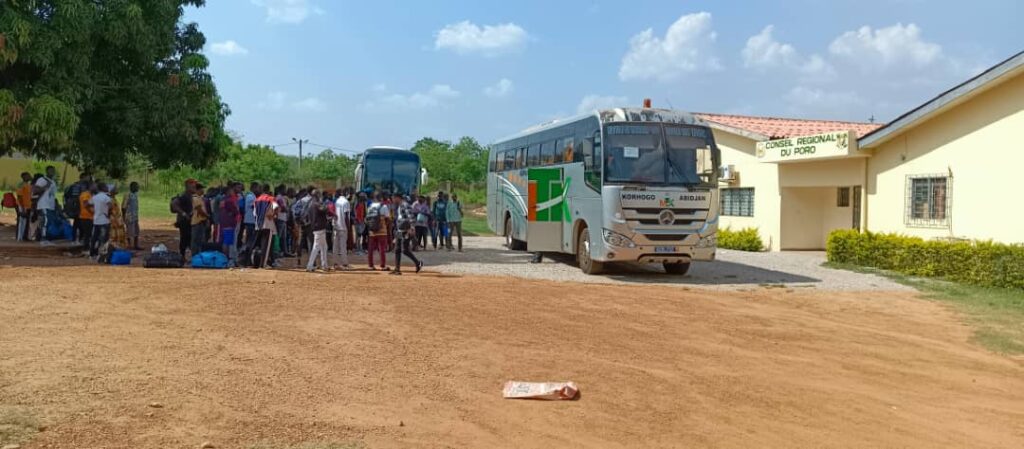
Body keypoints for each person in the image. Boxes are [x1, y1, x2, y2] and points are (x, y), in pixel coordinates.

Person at [390, 193, 423, 275]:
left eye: (394, 198)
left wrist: (412, 228)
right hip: (399, 230)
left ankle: (418, 263)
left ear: (398, 197)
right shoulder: (399, 206)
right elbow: (400, 218)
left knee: (405, 250)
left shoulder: (405, 205)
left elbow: (410, 217)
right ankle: (397, 269)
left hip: (406, 230)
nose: (393, 200)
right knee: (397, 249)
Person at [304, 189, 332, 272]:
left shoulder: (310, 204)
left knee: (324, 247)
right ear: (317, 195)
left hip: (317, 227)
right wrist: (327, 205)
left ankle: (324, 265)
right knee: (316, 247)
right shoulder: (316, 204)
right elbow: (324, 209)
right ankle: (309, 265)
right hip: (319, 227)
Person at [253, 184, 279, 268]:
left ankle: (260, 262)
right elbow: (276, 207)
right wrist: (274, 215)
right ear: (268, 190)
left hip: (258, 224)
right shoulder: (270, 198)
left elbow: (254, 213)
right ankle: (264, 264)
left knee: (261, 243)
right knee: (266, 245)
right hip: (268, 224)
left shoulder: (257, 199)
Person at [33, 165, 59, 242]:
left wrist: (56, 205)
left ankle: (40, 236)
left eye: (53, 171)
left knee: (49, 222)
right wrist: (45, 187)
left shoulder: (53, 182)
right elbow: (36, 190)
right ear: (46, 171)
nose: (52, 172)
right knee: (45, 221)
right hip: (43, 204)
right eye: (50, 170)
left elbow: (53, 195)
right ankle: (43, 238)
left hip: (51, 205)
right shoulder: (42, 180)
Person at [170, 180, 196, 257]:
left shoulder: (191, 196)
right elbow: (174, 204)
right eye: (193, 186)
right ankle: (182, 255)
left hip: (190, 221)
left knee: (190, 238)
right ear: (187, 186)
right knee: (184, 238)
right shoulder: (184, 196)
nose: (194, 188)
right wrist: (184, 214)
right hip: (184, 221)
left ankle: (189, 255)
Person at [218, 182, 241, 266]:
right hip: (230, 223)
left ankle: (225, 258)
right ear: (228, 191)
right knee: (230, 242)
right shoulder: (230, 201)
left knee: (226, 241)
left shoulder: (222, 200)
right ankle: (230, 259)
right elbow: (235, 211)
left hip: (223, 223)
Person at [366, 192, 390, 271]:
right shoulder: (384, 206)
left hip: (372, 231)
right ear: (381, 198)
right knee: (382, 248)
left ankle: (370, 265)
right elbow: (387, 218)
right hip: (382, 231)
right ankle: (382, 265)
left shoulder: (370, 207)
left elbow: (367, 218)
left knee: (371, 248)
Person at [88, 183, 112, 260]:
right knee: (103, 239)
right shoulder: (106, 197)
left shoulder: (95, 197)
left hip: (96, 220)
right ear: (103, 188)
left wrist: (92, 211)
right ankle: (101, 254)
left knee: (94, 238)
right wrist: (108, 213)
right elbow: (110, 206)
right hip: (104, 220)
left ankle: (92, 254)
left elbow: (87, 204)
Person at [64, 173, 90, 243]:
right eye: (88, 177)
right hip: (81, 207)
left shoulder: (73, 185)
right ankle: (80, 239)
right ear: (83, 177)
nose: (89, 179)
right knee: (81, 224)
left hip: (74, 207)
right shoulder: (84, 186)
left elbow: (66, 196)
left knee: (76, 223)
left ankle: (74, 239)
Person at [333, 187, 352, 270]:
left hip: (336, 226)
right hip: (343, 226)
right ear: (347, 193)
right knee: (343, 246)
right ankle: (344, 263)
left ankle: (335, 263)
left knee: (335, 246)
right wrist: (349, 228)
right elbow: (346, 217)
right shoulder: (346, 202)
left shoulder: (337, 201)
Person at [190, 183, 209, 258]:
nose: (203, 190)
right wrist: (207, 216)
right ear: (198, 190)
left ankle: (198, 255)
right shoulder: (195, 198)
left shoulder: (199, 198)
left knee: (200, 240)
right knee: (196, 240)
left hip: (201, 221)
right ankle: (195, 256)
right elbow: (199, 210)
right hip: (197, 221)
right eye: (202, 189)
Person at [78, 181, 97, 254]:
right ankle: (86, 248)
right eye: (94, 186)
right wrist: (92, 211)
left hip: (90, 217)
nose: (96, 187)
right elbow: (85, 204)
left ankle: (89, 247)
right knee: (88, 234)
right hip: (85, 217)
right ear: (90, 186)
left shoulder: (92, 195)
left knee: (90, 233)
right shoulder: (85, 194)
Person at [123, 182, 141, 250]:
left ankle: (136, 245)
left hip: (135, 216)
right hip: (129, 216)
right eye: (136, 186)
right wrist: (124, 216)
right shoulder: (128, 195)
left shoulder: (135, 194)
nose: (138, 188)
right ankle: (129, 245)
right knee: (129, 231)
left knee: (136, 230)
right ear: (132, 187)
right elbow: (123, 207)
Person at [15, 172, 33, 242]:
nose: (30, 176)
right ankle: (19, 237)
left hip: (28, 206)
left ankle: (24, 236)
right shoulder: (21, 185)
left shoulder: (28, 185)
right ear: (24, 177)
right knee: (21, 222)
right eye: (28, 176)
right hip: (22, 205)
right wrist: (22, 208)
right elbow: (19, 196)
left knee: (26, 222)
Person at [241, 182, 259, 250]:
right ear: (254, 188)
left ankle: (248, 253)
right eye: (257, 188)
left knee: (251, 239)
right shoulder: (250, 196)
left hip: (252, 221)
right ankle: (246, 253)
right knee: (250, 239)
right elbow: (254, 206)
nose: (258, 189)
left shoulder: (253, 196)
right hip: (250, 221)